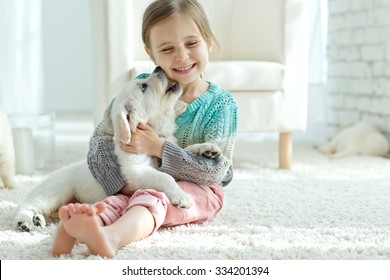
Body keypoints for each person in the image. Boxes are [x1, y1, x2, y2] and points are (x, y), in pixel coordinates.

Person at [52, 0, 238, 258]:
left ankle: (112, 236)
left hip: (200, 190)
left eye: (192, 43)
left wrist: (160, 149)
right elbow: (99, 144)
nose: (182, 56)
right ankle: (79, 228)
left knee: (152, 200)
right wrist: (121, 187)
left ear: (209, 41)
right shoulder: (137, 91)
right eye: (167, 48)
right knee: (118, 202)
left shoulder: (221, 105)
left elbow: (219, 172)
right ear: (152, 54)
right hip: (140, 181)